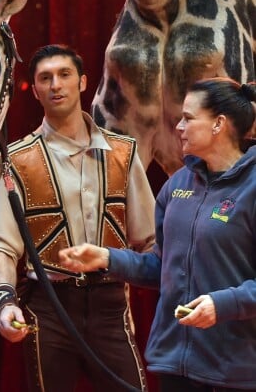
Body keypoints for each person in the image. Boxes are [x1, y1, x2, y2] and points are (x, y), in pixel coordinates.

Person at [59, 78, 256, 392]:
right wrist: (107, 258)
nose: (178, 127)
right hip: (173, 365)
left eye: (188, 118)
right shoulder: (177, 185)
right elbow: (159, 267)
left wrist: (223, 304)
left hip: (233, 371)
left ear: (219, 124)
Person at [0, 44, 156, 392]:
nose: (55, 85)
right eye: (45, 78)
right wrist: (5, 303)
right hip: (49, 307)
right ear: (34, 91)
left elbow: (150, 239)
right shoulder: (16, 161)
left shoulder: (123, 152)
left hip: (109, 305)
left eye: (64, 75)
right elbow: (1, 246)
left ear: (82, 82)